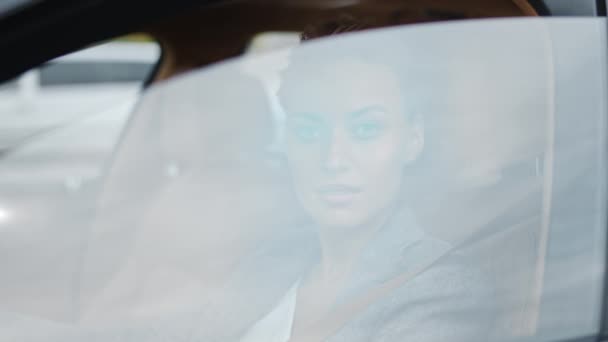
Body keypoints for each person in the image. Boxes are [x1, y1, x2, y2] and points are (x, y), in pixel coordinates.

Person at [236, 15, 501, 342]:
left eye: (366, 129)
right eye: (308, 130)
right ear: (288, 142)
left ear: (413, 138)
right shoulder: (265, 266)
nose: (333, 159)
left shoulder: (443, 289)